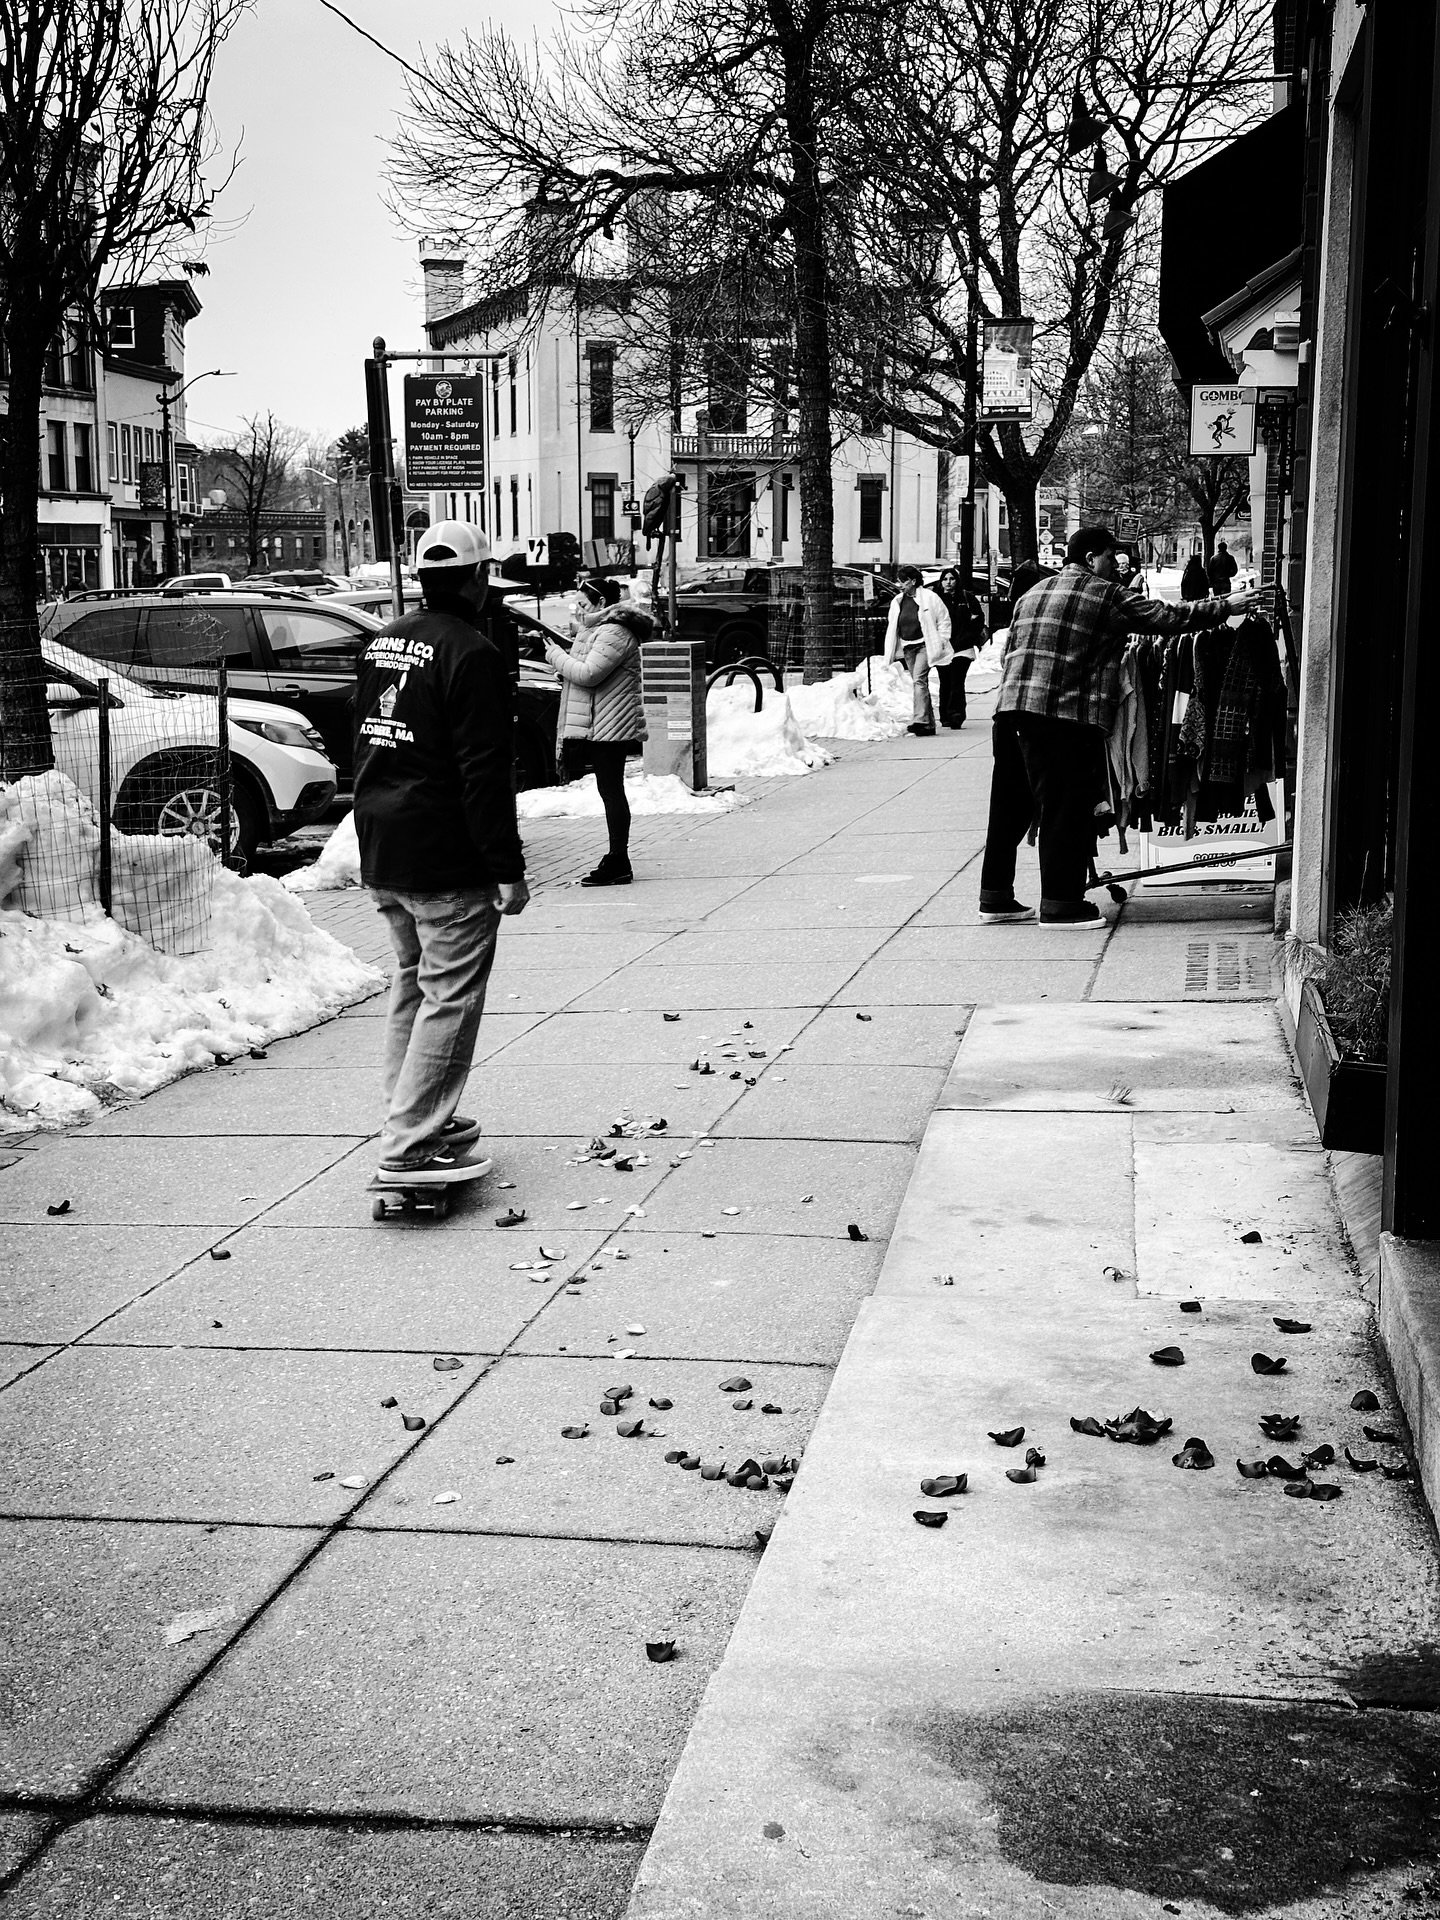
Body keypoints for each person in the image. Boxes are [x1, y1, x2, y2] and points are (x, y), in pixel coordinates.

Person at [352, 520, 529, 1189]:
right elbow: (485, 772)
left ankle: (411, 1116)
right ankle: (412, 1145)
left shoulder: (383, 641)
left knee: (412, 985)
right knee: (450, 995)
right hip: (442, 850)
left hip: (384, 839)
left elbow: (366, 738)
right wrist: (505, 869)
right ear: (479, 578)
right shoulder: (473, 653)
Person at [982, 525, 1258, 927]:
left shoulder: (1032, 593)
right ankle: (1061, 905)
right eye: (1111, 557)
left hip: (1010, 712)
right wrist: (1225, 607)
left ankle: (995, 896)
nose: (1116, 565)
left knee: (1009, 804)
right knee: (1064, 806)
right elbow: (1167, 616)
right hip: (1061, 716)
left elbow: (1010, 651)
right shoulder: (1105, 595)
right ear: (1091, 558)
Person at [544, 576, 653, 886]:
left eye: (583, 604)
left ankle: (618, 859)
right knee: (609, 790)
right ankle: (617, 858)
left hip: (611, 725)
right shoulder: (597, 630)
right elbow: (583, 670)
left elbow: (589, 673)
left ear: (602, 603)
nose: (578, 610)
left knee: (612, 790)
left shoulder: (614, 632)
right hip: (601, 722)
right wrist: (564, 664)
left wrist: (555, 656)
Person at [975, 559, 1052, 922]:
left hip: (1006, 719)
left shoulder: (1018, 620)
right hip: (1029, 721)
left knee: (1005, 811)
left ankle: (994, 895)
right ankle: (1055, 895)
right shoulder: (1035, 617)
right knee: (1040, 807)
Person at [882, 565, 953, 735]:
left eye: (904, 581)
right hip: (908, 647)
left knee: (918, 681)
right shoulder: (898, 602)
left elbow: (944, 619)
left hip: (925, 645)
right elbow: (893, 626)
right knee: (919, 683)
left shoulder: (930, 598)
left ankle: (919, 720)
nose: (901, 585)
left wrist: (942, 639)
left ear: (913, 581)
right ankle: (928, 724)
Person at [933, 567, 987, 727]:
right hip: (943, 648)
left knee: (957, 680)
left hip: (962, 648)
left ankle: (956, 714)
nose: (948, 582)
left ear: (957, 580)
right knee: (945, 682)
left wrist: (967, 638)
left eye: (951, 579)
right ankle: (945, 716)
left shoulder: (967, 598)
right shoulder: (936, 600)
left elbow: (978, 621)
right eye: (945, 579)